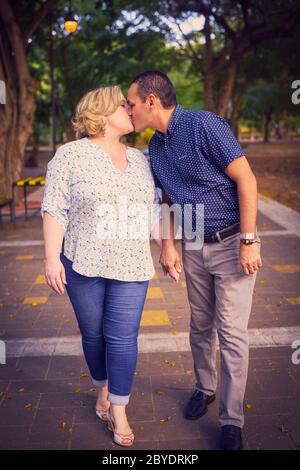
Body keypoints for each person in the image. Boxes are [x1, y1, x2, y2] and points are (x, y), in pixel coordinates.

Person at [127, 71, 263, 450]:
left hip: (233, 240)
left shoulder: (203, 124)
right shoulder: (156, 145)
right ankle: (205, 388)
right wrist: (167, 246)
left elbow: (247, 179)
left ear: (151, 101)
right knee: (200, 324)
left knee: (232, 331)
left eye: (131, 102)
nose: (129, 109)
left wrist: (249, 241)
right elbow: (167, 200)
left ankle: (232, 421)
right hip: (192, 244)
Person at [41, 85, 161, 447]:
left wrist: (168, 248)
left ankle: (119, 409)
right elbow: (54, 207)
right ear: (101, 112)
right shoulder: (70, 155)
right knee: (94, 335)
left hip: (131, 265)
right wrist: (50, 257)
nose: (130, 108)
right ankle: (103, 388)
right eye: (123, 104)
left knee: (123, 338)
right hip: (82, 263)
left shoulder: (142, 159)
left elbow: (153, 210)